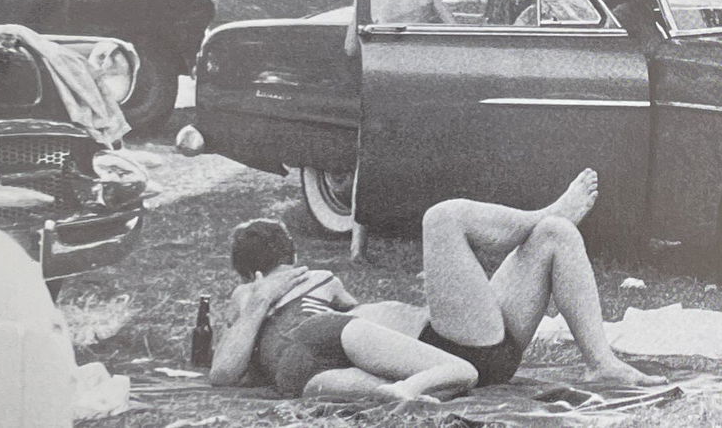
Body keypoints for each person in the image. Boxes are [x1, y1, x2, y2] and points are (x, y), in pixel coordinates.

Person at [210, 169, 661, 401]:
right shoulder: (251, 298)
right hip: (448, 346)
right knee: (442, 217)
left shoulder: (321, 286)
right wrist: (261, 298)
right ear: (260, 272)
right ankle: (546, 213)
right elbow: (224, 372)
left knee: (556, 238)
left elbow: (360, 324)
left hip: (472, 345)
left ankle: (601, 362)